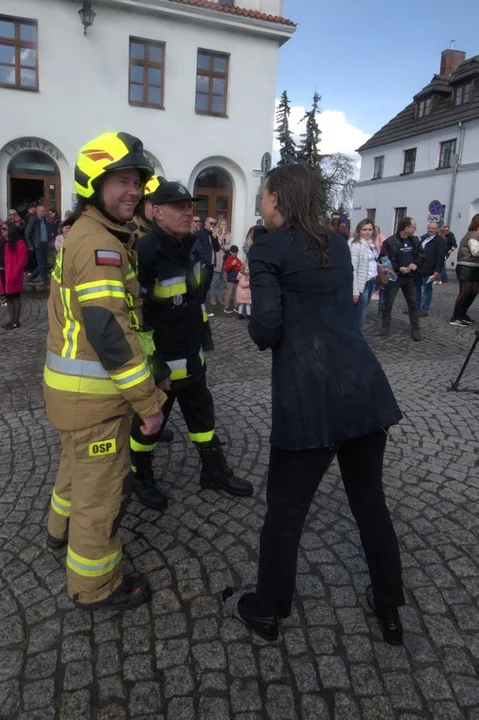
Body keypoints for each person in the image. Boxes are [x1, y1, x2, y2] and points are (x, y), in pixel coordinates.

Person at [222, 164, 404, 645]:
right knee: (370, 504)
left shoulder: (267, 248)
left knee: (285, 512)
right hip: (362, 387)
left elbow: (266, 329)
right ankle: (389, 607)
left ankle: (267, 610)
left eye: (262, 195)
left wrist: (251, 298)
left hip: (309, 398)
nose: (260, 203)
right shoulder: (337, 242)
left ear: (277, 197)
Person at [44, 131, 167, 611]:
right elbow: (109, 333)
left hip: (74, 397)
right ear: (94, 183)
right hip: (95, 399)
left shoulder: (93, 233)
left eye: (136, 180)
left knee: (75, 469)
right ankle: (95, 586)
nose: (133, 190)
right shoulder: (100, 246)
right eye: (121, 180)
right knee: (101, 495)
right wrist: (149, 405)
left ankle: (58, 530)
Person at [131, 181, 253, 505]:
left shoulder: (193, 246)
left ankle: (212, 472)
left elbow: (194, 301)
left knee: (203, 418)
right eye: (180, 207)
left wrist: (202, 346)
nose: (189, 212)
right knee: (150, 424)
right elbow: (135, 315)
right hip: (163, 365)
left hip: (192, 356)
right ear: (157, 211)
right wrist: (153, 365)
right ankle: (140, 477)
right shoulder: (146, 252)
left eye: (190, 206)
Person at [379, 217, 424, 340]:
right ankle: (385, 327)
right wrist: (399, 268)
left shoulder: (415, 240)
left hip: (410, 277)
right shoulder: (389, 242)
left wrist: (416, 263)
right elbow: (384, 259)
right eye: (413, 226)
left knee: (413, 304)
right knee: (388, 303)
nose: (415, 229)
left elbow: (421, 254)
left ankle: (415, 330)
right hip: (395, 277)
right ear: (406, 228)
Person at [450, 214, 479, 326]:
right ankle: (455, 317)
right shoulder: (472, 235)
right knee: (465, 292)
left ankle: (463, 314)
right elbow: (475, 251)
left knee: (474, 292)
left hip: (476, 267)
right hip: (466, 266)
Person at [348, 219, 378, 328]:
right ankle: (353, 340)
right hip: (361, 284)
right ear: (359, 230)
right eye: (364, 229)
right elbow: (352, 269)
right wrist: (355, 291)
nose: (367, 232)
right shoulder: (355, 244)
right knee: (359, 316)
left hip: (370, 280)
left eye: (370, 229)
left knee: (362, 312)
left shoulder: (370, 243)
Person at [0, 221, 28, 329]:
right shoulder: (3, 242)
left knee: (15, 297)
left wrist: (15, 272)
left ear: (10, 230)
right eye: (2, 229)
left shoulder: (19, 243)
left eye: (4, 229)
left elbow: (22, 261)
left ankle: (16, 321)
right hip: (3, 273)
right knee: (8, 298)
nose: (2, 231)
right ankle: (12, 320)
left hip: (13, 274)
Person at [415, 222, 445, 317]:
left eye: (433, 228)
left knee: (427, 290)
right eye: (429, 228)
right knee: (416, 289)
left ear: (437, 229)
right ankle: (415, 308)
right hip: (418, 268)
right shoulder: (424, 238)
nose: (430, 230)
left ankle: (424, 309)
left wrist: (437, 270)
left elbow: (440, 257)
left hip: (429, 269)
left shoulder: (439, 241)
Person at [194, 216, 220, 304]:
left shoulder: (212, 234)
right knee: (201, 286)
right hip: (203, 264)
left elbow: (217, 249)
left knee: (206, 287)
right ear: (206, 223)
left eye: (214, 224)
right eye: (210, 223)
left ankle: (202, 306)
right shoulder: (199, 234)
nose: (212, 225)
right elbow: (196, 249)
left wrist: (215, 237)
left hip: (211, 265)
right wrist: (202, 262)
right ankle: (198, 306)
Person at [25, 205, 50, 287]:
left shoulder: (44, 220)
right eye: (43, 211)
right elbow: (27, 232)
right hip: (37, 244)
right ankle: (46, 282)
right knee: (41, 263)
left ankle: (32, 276)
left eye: (45, 211)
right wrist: (30, 244)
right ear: (38, 211)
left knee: (43, 263)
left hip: (45, 244)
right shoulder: (33, 219)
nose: (45, 213)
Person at [210, 217, 230, 307]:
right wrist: (221, 235)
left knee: (223, 279)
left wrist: (225, 247)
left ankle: (220, 297)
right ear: (219, 225)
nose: (224, 226)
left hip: (225, 259)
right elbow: (217, 245)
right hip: (218, 259)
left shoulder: (229, 234)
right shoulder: (216, 233)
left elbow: (230, 246)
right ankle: (212, 297)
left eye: (225, 224)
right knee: (215, 279)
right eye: (222, 224)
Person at [223, 245, 242, 314]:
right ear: (230, 252)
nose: (235, 253)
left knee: (236, 294)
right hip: (230, 280)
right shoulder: (228, 259)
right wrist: (231, 264)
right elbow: (226, 269)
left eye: (236, 252)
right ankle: (226, 307)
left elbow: (240, 268)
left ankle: (236, 306)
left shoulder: (238, 260)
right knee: (228, 293)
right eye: (234, 252)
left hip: (236, 280)